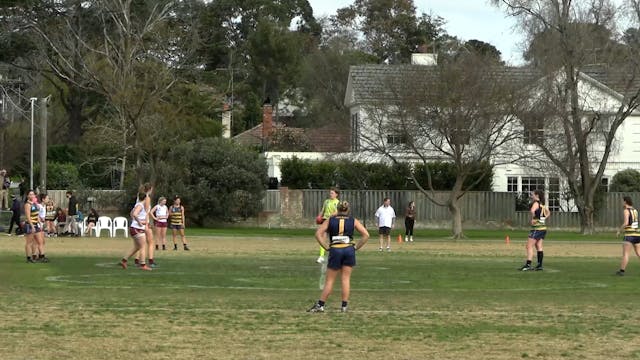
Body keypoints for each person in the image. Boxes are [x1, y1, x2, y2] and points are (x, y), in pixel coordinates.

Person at [308, 201, 370, 313]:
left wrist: (326, 246)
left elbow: (318, 234)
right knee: (345, 279)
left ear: (337, 209)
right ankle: (344, 306)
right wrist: (356, 247)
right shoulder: (353, 220)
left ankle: (321, 304)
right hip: (348, 250)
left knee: (330, 280)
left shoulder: (330, 220)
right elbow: (366, 235)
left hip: (336, 250)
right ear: (348, 209)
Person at [119, 191, 151, 271]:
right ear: (145, 198)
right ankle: (143, 265)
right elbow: (135, 214)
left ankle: (124, 260)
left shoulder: (137, 205)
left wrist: (137, 221)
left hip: (134, 228)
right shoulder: (140, 205)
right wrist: (140, 222)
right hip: (137, 229)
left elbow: (131, 213)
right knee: (143, 246)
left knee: (137, 247)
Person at [520, 189, 550, 271]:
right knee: (538, 246)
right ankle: (539, 265)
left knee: (529, 246)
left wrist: (534, 219)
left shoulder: (536, 203)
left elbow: (532, 211)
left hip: (537, 228)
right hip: (543, 228)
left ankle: (528, 265)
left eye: (532, 194)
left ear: (537, 195)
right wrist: (542, 219)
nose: (531, 196)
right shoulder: (542, 204)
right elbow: (548, 213)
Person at [616, 196, 640, 276]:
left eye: (623, 201)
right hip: (637, 234)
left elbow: (626, 223)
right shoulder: (635, 210)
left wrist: (619, 230)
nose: (622, 203)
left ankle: (621, 271)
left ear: (625, 202)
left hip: (629, 235)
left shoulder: (626, 210)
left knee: (626, 254)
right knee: (639, 253)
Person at [316, 188, 340, 263]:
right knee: (322, 238)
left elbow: (337, 212)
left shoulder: (338, 202)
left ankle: (333, 256)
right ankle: (321, 256)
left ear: (336, 194)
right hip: (325, 221)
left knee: (333, 239)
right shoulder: (326, 201)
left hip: (334, 221)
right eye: (330, 193)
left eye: (332, 193)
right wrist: (319, 216)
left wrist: (330, 217)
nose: (330, 194)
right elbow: (322, 210)